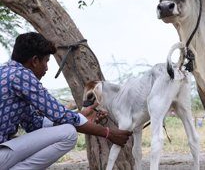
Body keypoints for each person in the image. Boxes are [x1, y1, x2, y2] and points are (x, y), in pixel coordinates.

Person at [0, 32, 132, 169]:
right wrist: (108, 133)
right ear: (34, 61)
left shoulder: (6, 72)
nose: (46, 68)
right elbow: (61, 115)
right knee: (68, 133)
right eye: (46, 61)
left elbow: (34, 124)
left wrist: (81, 117)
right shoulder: (21, 76)